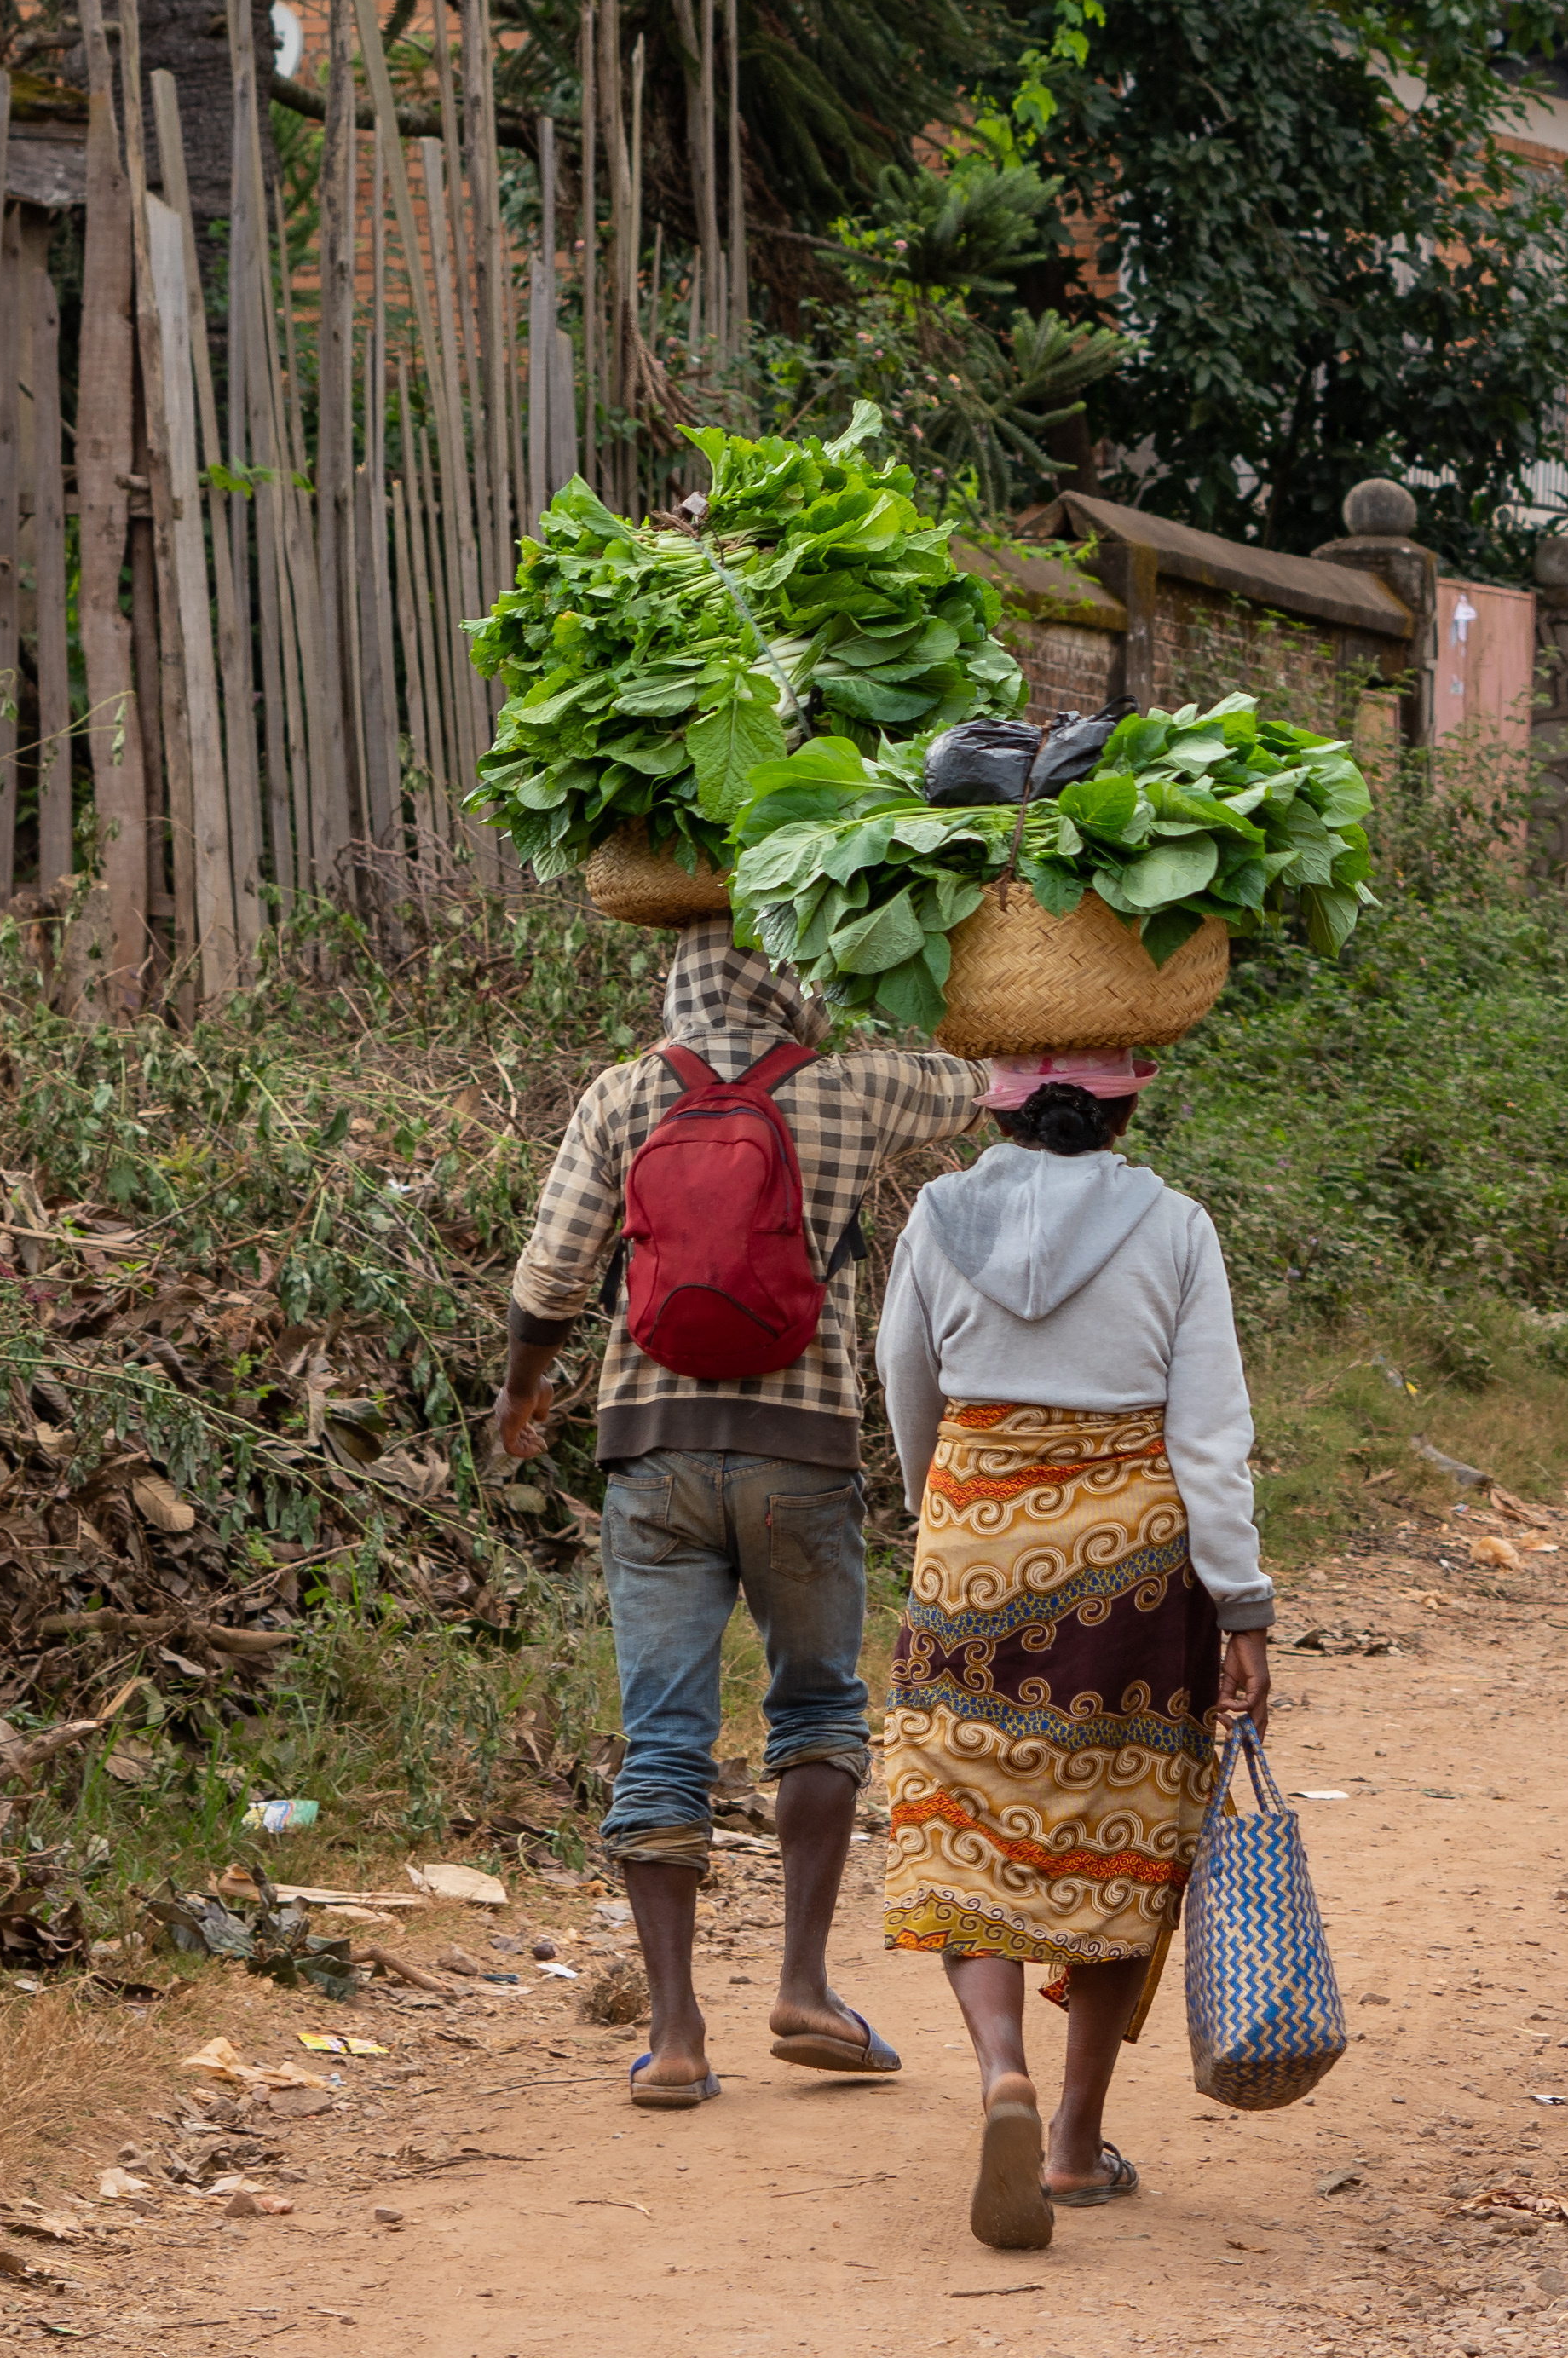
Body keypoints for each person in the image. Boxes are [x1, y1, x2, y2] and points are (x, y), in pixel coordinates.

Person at [493, 931, 984, 2113]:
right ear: (791, 980)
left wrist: (522, 1389)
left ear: (678, 982)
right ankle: (806, 1988)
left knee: (663, 1731)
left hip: (652, 1456)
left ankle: (673, 2037)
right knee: (818, 1707)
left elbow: (554, 1270)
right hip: (802, 1456)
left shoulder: (623, 1095)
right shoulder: (852, 1089)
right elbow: (985, 1075)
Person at [866, 1047, 1273, 2251]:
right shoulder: (1177, 1227)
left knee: (961, 1817)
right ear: (1129, 1102)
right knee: (1121, 1841)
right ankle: (1075, 2147)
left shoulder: (940, 1216)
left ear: (997, 1104)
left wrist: (939, 1502)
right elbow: (1210, 1433)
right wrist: (1241, 1601)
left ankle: (1003, 2069)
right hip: (1135, 1568)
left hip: (973, 1548)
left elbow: (904, 1377)